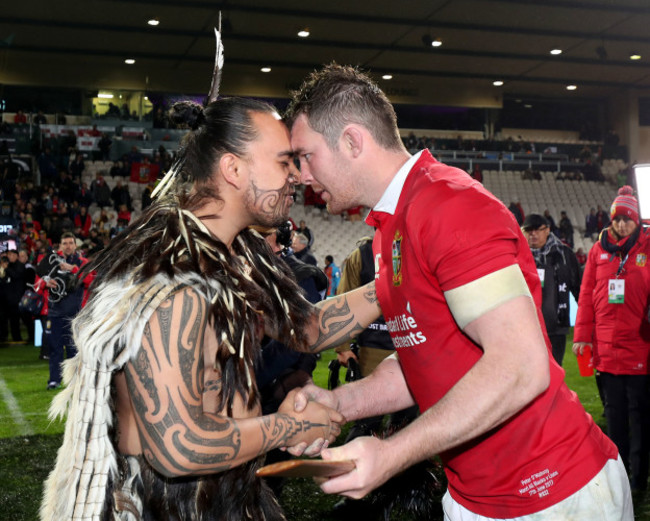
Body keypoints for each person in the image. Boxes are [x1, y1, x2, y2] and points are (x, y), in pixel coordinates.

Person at [286, 64, 631, 520]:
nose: (300, 174)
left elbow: (521, 367)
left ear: (352, 141)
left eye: (306, 155)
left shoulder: (447, 205)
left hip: (553, 494)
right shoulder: (392, 225)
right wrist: (340, 402)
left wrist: (391, 454)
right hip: (478, 494)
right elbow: (422, 359)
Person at [40, 97, 358, 521]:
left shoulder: (236, 259)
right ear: (233, 169)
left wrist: (403, 281)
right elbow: (179, 447)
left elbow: (309, 328)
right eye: (284, 162)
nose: (296, 177)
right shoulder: (172, 280)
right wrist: (293, 427)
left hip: (232, 495)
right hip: (173, 508)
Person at [573, 186, 650, 494]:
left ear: (637, 221)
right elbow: (586, 296)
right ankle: (620, 476)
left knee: (641, 418)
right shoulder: (597, 251)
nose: (621, 225)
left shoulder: (647, 248)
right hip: (606, 350)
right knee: (614, 417)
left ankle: (639, 479)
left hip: (640, 347)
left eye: (627, 220)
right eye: (617, 219)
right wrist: (581, 336)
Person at [522, 214, 581, 366]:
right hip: (524, 328)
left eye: (537, 230)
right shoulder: (516, 256)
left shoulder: (565, 255)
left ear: (547, 230)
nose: (533, 234)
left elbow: (579, 289)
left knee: (554, 372)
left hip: (556, 327)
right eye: (529, 230)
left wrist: (585, 325)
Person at [38, 232, 92, 390]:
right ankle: (54, 380)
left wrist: (74, 269)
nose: (68, 246)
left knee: (73, 350)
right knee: (55, 349)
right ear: (60, 246)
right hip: (55, 313)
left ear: (75, 245)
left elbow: (91, 280)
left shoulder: (82, 262)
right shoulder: (51, 261)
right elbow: (39, 282)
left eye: (70, 243)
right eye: (65, 243)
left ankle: (74, 382)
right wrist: (45, 283)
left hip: (74, 315)